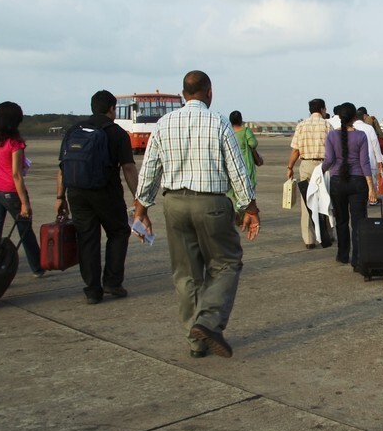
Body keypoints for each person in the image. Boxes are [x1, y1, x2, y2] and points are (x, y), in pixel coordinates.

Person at [133, 71, 260, 359]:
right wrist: (248, 207)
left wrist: (141, 210)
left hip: (174, 203)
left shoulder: (164, 124)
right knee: (226, 263)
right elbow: (237, 171)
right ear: (209, 92)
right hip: (212, 203)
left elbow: (150, 169)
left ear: (183, 94)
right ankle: (209, 322)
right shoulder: (218, 122)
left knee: (187, 274)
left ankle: (195, 341)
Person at [55, 91, 139, 304]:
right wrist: (138, 197)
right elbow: (128, 167)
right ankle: (112, 281)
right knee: (119, 232)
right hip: (106, 191)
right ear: (112, 109)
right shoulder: (117, 132)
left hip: (77, 192)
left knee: (87, 238)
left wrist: (60, 197)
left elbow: (62, 167)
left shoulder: (74, 130)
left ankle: (92, 290)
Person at [0, 101, 45, 277]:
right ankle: (37, 266)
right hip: (9, 191)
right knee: (24, 229)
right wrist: (24, 203)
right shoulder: (14, 143)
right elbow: (16, 174)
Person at [321, 103, 377, 267]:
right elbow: (364, 163)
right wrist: (371, 187)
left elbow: (329, 160)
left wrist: (320, 171)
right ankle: (358, 258)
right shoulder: (361, 136)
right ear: (354, 117)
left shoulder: (331, 135)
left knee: (341, 220)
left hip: (337, 181)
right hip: (358, 181)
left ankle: (343, 254)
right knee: (359, 221)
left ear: (339, 117)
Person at [287, 99, 332, 249]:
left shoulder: (301, 125)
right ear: (322, 109)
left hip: (306, 164)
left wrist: (290, 167)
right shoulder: (327, 125)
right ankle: (328, 235)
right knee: (325, 200)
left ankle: (309, 239)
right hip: (323, 166)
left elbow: (295, 150)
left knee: (307, 202)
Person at [353, 106, 383, 202]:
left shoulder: (352, 128)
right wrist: (379, 160)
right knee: (372, 181)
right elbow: (375, 145)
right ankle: (372, 199)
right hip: (370, 160)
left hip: (356, 162)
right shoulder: (369, 128)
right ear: (363, 117)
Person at [229, 111, 259, 189]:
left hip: (231, 165)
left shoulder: (228, 132)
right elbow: (253, 144)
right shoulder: (245, 131)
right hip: (246, 164)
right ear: (240, 120)